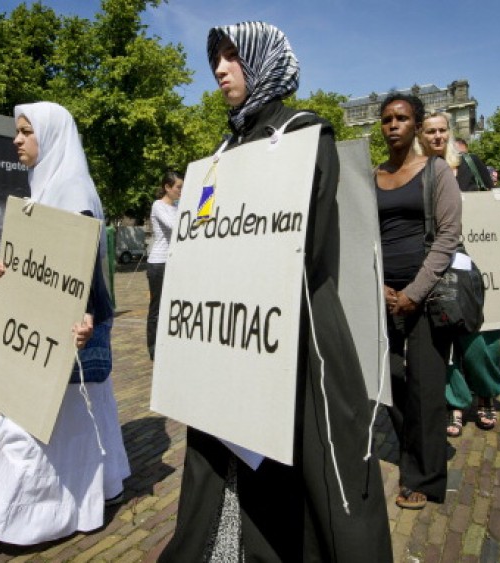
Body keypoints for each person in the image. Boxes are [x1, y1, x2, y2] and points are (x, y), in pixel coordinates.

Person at [158, 22, 392, 562]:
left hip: (299, 337)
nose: (219, 69)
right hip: (231, 332)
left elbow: (303, 247)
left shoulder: (307, 134)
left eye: (233, 56)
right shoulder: (222, 152)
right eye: (215, 58)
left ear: (263, 61)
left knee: (311, 469)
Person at [0, 102, 130, 563]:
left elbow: (82, 265)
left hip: (61, 328)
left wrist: (84, 314)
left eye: (26, 132)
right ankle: (107, 484)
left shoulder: (71, 190)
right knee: (90, 409)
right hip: (53, 325)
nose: (16, 140)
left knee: (23, 425)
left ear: (52, 136)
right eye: (16, 132)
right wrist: (9, 269)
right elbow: (45, 264)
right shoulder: (46, 186)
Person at [376, 95, 461, 509]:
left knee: (426, 388)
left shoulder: (436, 170)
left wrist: (413, 293)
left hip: (425, 297)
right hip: (381, 295)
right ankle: (415, 444)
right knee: (389, 380)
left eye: (402, 118)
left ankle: (421, 477)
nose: (393, 125)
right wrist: (379, 288)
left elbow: (448, 237)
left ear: (417, 125)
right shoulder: (370, 176)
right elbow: (362, 237)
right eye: (387, 119)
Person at [417, 112, 500, 434]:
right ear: (421, 136)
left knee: (482, 337)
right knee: (444, 332)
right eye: (431, 132)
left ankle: (485, 395)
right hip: (437, 263)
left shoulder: (470, 166)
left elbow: (496, 210)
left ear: (449, 134)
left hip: (479, 260)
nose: (437, 136)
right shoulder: (416, 172)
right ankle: (454, 401)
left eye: (442, 131)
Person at [146, 170, 183, 360]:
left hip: (173, 261)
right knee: (157, 307)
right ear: (167, 187)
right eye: (178, 187)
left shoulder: (178, 206)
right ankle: (153, 348)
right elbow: (174, 226)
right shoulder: (158, 206)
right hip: (159, 263)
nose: (181, 191)